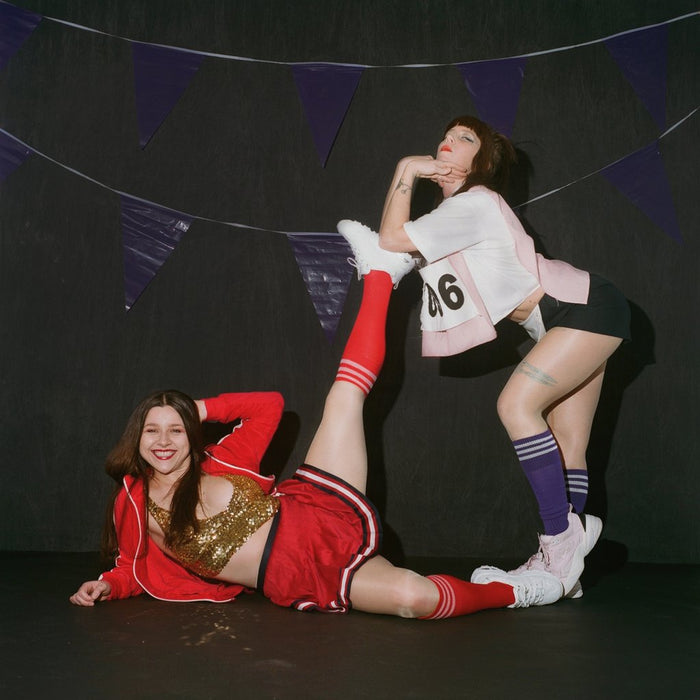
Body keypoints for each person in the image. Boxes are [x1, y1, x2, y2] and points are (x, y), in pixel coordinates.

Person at [70, 230, 563, 618]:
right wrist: (107, 587)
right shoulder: (132, 502)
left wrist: (195, 409)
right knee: (416, 599)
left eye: (174, 429)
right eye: (152, 430)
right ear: (137, 436)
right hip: (299, 572)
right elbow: (130, 566)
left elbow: (269, 405)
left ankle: (380, 272)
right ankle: (513, 591)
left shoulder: (219, 460)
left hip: (310, 506)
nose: (163, 441)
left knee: (346, 395)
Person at [375, 115, 631, 598]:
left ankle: (559, 538)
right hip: (565, 316)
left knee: (515, 406)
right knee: (568, 444)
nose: (447, 142)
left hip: (582, 306)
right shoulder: (452, 216)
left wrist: (406, 169)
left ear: (481, 161)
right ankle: (565, 572)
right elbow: (407, 247)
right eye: (445, 136)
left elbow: (392, 238)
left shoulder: (474, 202)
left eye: (463, 139)